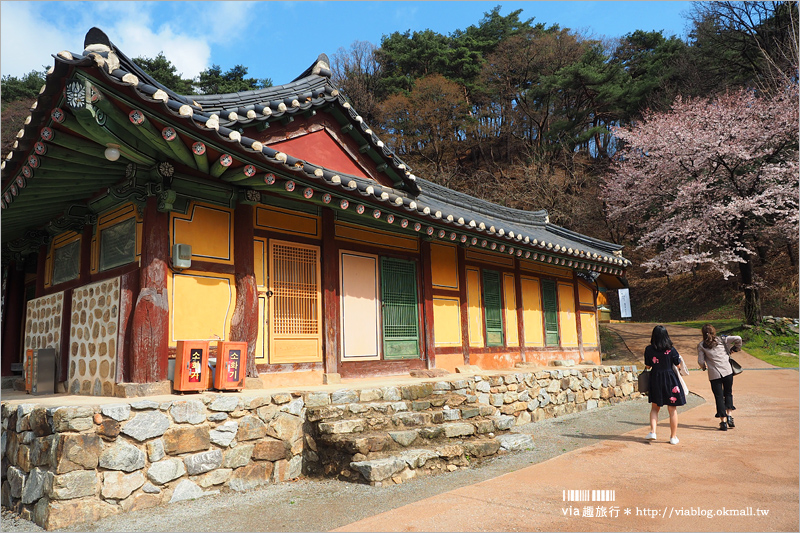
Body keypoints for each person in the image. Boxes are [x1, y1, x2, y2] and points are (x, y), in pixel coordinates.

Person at [644, 325, 687, 444]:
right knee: (672, 409)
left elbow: (648, 366)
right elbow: (678, 365)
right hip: (670, 379)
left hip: (655, 378)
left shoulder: (649, 349)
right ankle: (673, 437)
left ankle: (653, 432)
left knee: (654, 408)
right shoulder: (671, 349)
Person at [697, 324, 742, 431]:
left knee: (719, 397)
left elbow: (700, 361)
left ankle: (723, 422)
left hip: (714, 374)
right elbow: (738, 338)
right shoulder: (722, 339)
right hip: (727, 371)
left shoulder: (702, 345)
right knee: (728, 393)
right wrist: (735, 348)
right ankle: (730, 416)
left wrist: (703, 366)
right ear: (714, 331)